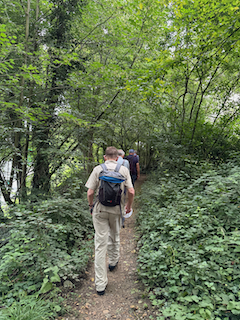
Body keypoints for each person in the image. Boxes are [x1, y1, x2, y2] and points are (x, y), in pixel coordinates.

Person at [85, 146, 135, 296]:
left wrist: (90, 205)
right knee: (114, 235)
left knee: (100, 244)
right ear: (118, 158)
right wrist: (128, 206)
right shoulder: (123, 170)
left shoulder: (98, 169)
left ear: (105, 157)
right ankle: (113, 262)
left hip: (100, 210)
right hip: (116, 209)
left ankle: (100, 284)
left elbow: (90, 192)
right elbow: (131, 191)